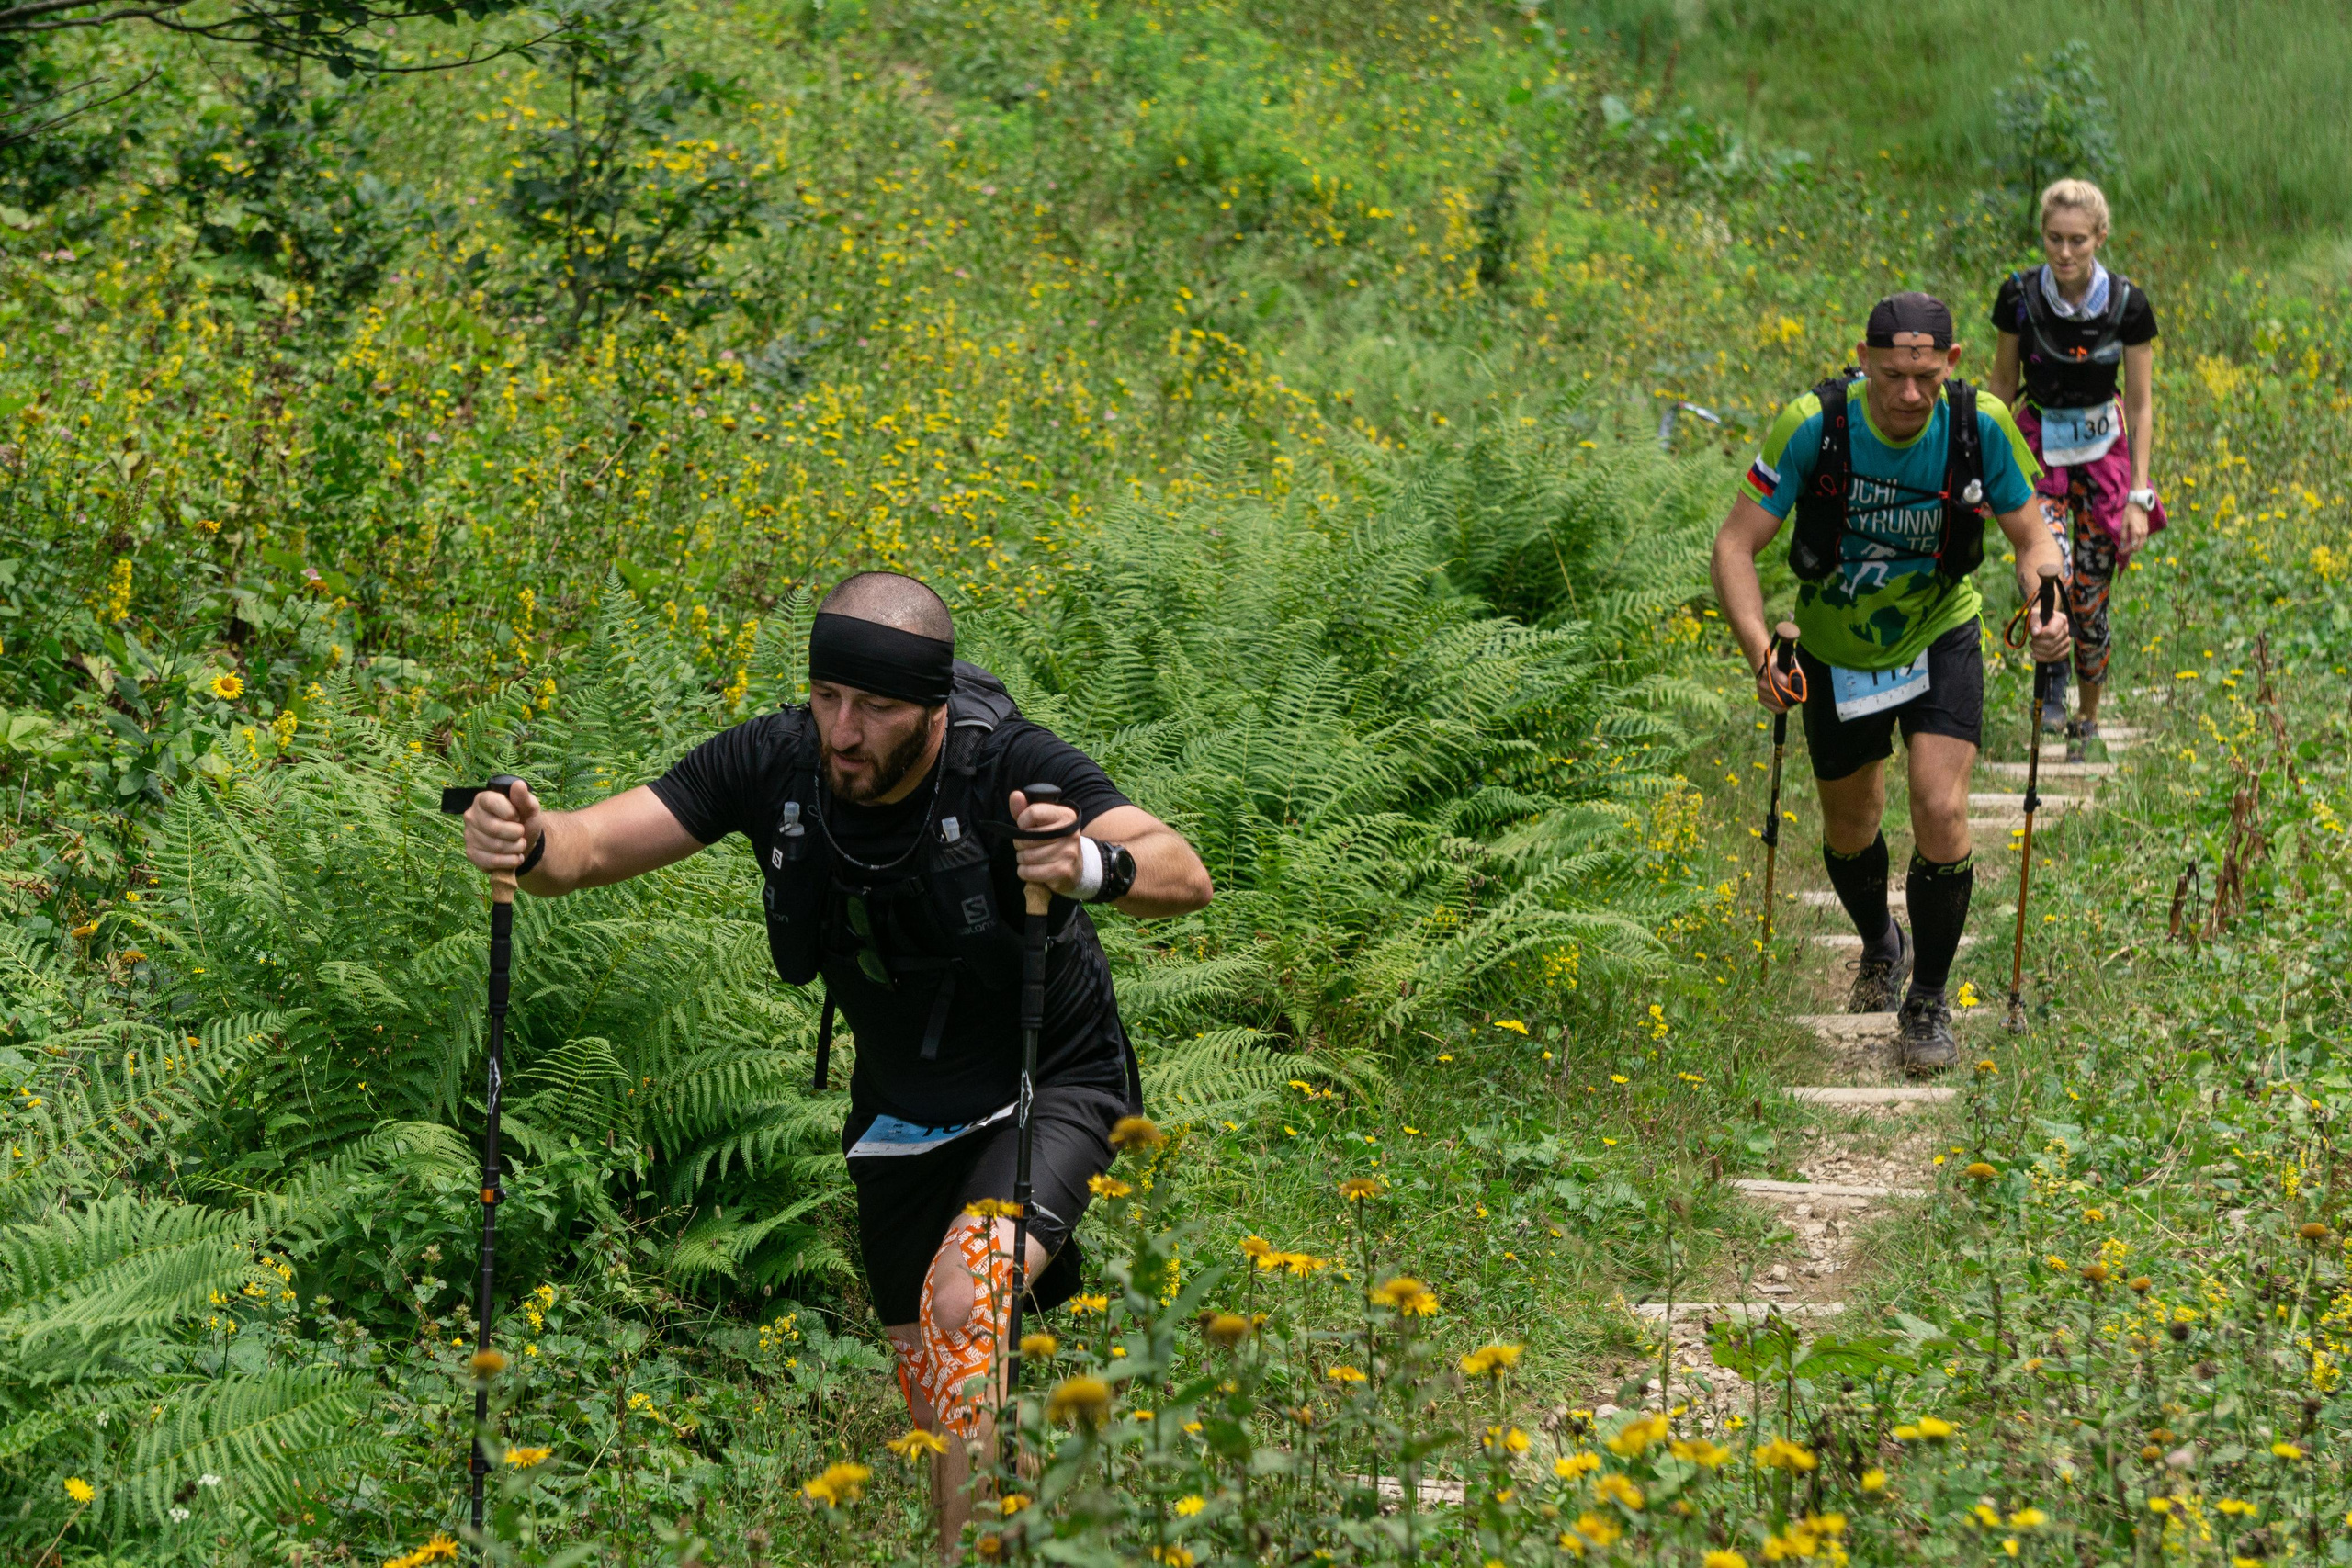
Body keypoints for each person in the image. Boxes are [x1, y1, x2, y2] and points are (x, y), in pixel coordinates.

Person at [459, 571, 1214, 1554]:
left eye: (877, 708)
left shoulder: (1007, 767)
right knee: (942, 1396)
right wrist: (523, 833)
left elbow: (1180, 872)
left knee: (963, 1308)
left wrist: (1084, 865)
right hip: (902, 1108)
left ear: (933, 708)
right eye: (828, 698)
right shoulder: (775, 761)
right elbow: (588, 848)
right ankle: (1039, 1531)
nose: (844, 731)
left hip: (1051, 1082)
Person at [1711, 292, 2071, 1072]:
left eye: (1925, 376)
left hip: (1941, 629)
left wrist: (2048, 603)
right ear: (1866, 358)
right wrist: (1760, 656)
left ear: (1951, 363)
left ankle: (1928, 1002)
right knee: (1850, 824)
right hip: (1835, 648)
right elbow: (1735, 546)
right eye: (1893, 374)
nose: (1910, 394)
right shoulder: (1813, 424)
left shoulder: (1980, 425)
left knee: (1940, 805)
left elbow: (2032, 536)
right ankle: (1881, 940)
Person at [1987, 177, 2164, 761]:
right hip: (2038, 446)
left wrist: (2140, 496)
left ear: (2100, 238)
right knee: (2046, 570)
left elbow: (2139, 404)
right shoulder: (2017, 297)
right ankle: (2051, 680)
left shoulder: (2128, 305)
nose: (2064, 253)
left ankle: (2087, 719)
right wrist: (1988, 467)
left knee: (2090, 599)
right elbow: (2001, 388)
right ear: (2042, 235)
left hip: (2104, 461)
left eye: (2078, 241)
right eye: (2054, 239)